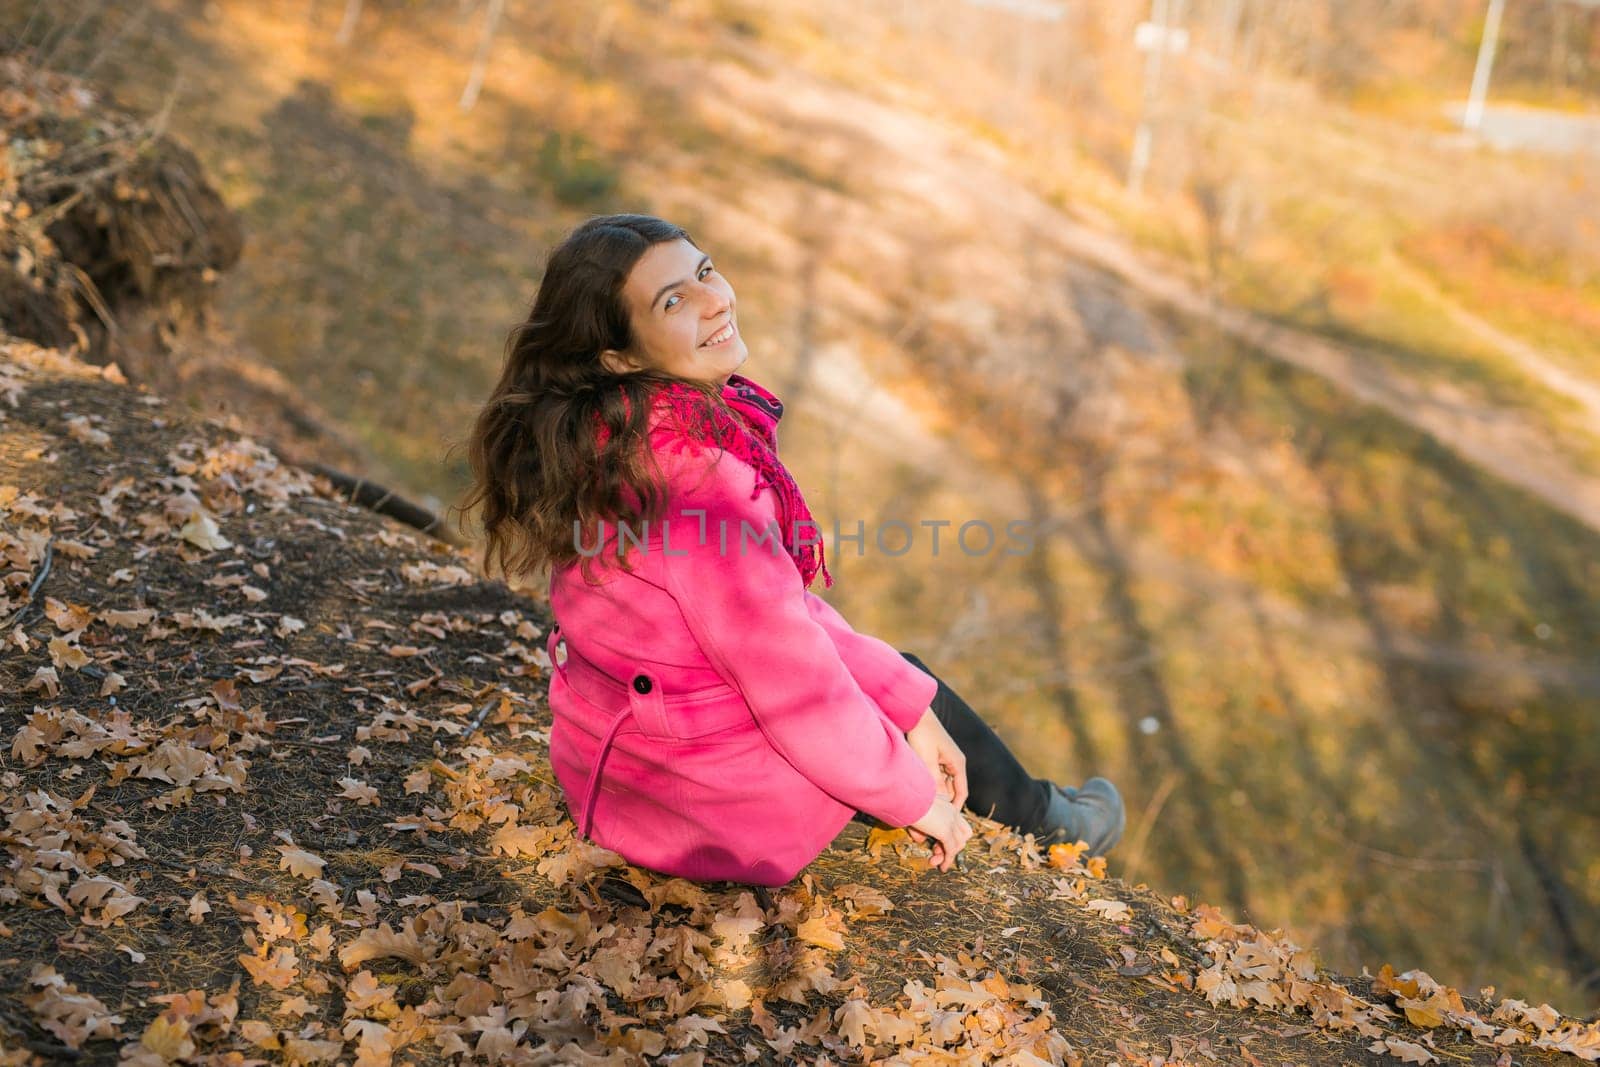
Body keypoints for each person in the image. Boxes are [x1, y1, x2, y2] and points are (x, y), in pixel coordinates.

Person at [461, 213, 1123, 888]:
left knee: (905, 680)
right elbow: (791, 676)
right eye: (673, 301)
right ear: (622, 356)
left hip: (621, 767)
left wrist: (908, 703)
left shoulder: (601, 437)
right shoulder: (692, 477)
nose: (714, 299)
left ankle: (1045, 812)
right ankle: (1048, 823)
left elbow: (777, 612)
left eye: (704, 271)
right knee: (883, 688)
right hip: (695, 810)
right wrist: (913, 797)